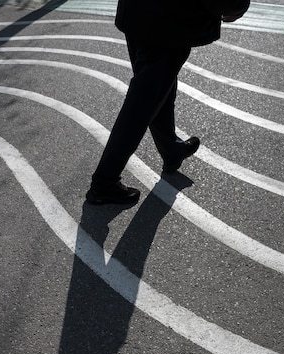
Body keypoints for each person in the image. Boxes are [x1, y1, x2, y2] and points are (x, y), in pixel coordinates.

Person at [86, 0, 250, 205]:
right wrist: (235, 5)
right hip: (172, 18)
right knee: (144, 100)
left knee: (156, 88)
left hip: (139, 10)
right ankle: (104, 181)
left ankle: (171, 149)